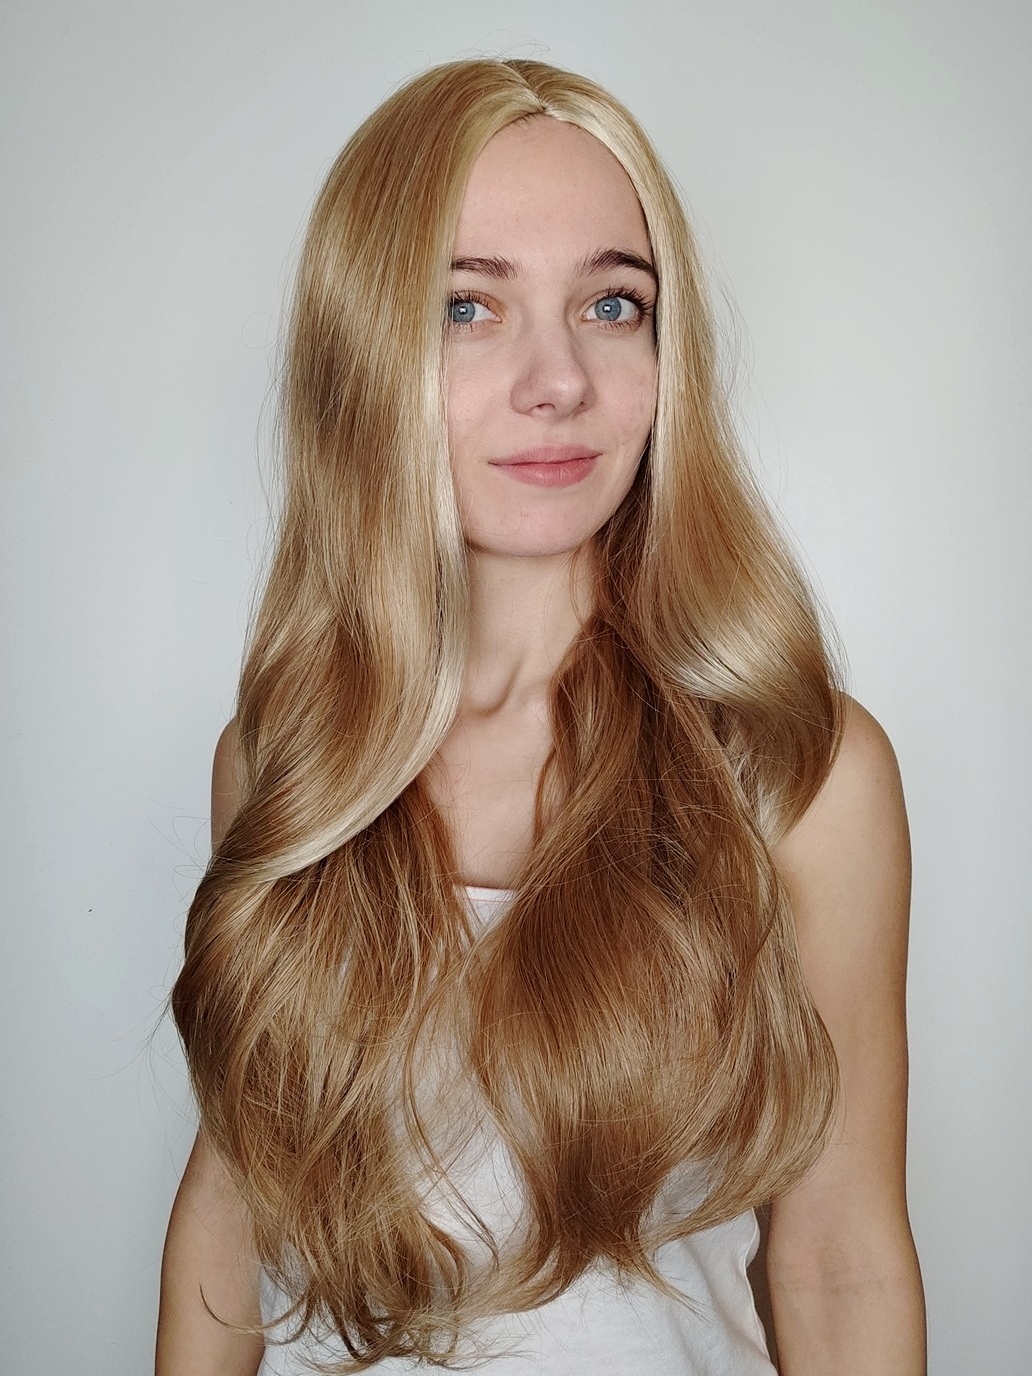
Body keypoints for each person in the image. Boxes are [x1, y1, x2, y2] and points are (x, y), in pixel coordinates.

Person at [156, 58, 925, 1375]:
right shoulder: (285, 761)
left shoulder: (798, 773)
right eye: (469, 306)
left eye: (613, 304)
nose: (557, 379)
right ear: (364, 346)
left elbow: (841, 1257)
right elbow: (233, 1210)